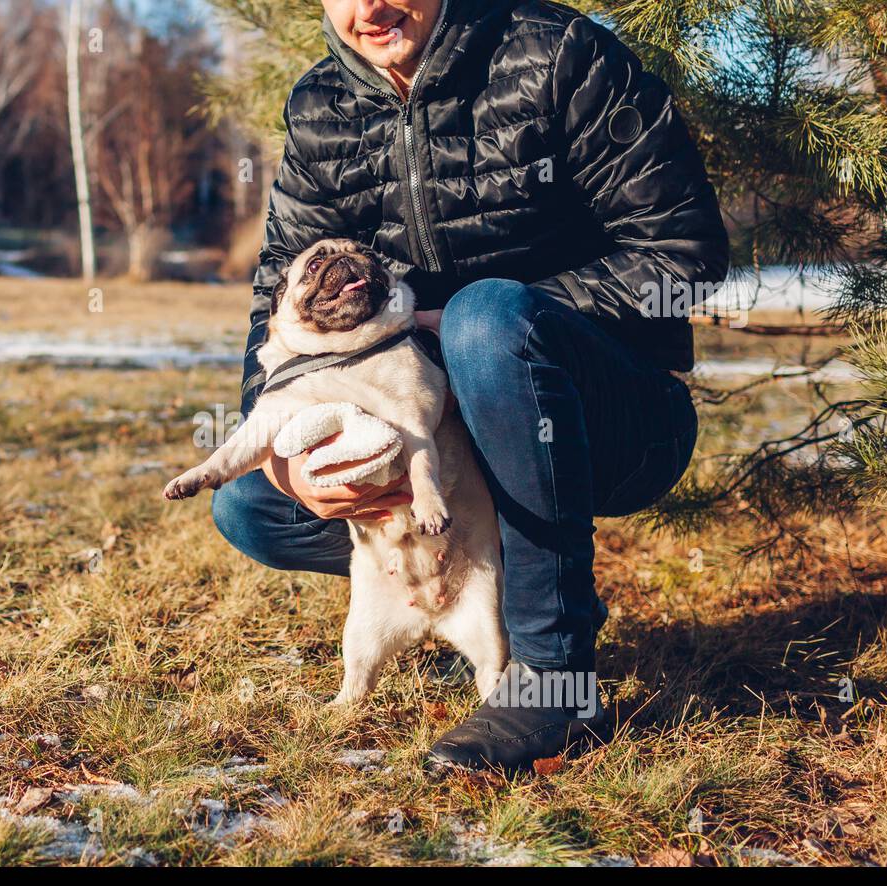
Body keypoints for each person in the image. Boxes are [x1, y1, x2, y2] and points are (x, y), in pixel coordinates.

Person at [211, 0, 729, 770]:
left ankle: (555, 678)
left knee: (486, 322)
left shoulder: (562, 56)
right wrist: (283, 455)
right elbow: (276, 298)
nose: (370, 6)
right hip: (433, 432)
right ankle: (516, 592)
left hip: (611, 413)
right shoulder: (322, 104)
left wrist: (472, 319)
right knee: (251, 505)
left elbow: (683, 258)